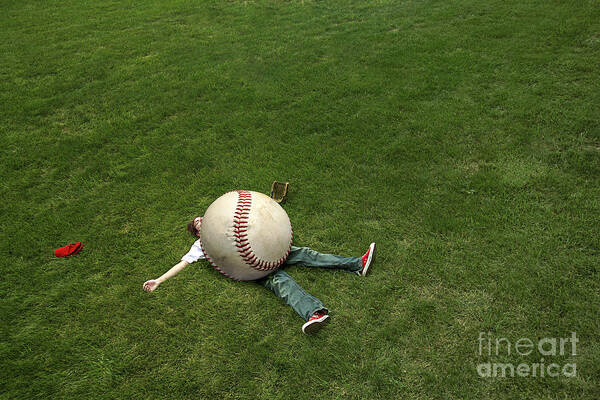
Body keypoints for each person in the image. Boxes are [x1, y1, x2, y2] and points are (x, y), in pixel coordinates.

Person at [143, 216, 376, 334]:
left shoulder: (226, 221)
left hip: (269, 250)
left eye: (201, 218)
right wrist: (159, 280)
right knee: (284, 285)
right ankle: (314, 314)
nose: (202, 221)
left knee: (308, 254)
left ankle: (357, 264)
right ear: (196, 234)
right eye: (197, 224)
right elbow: (181, 264)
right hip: (254, 269)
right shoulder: (200, 247)